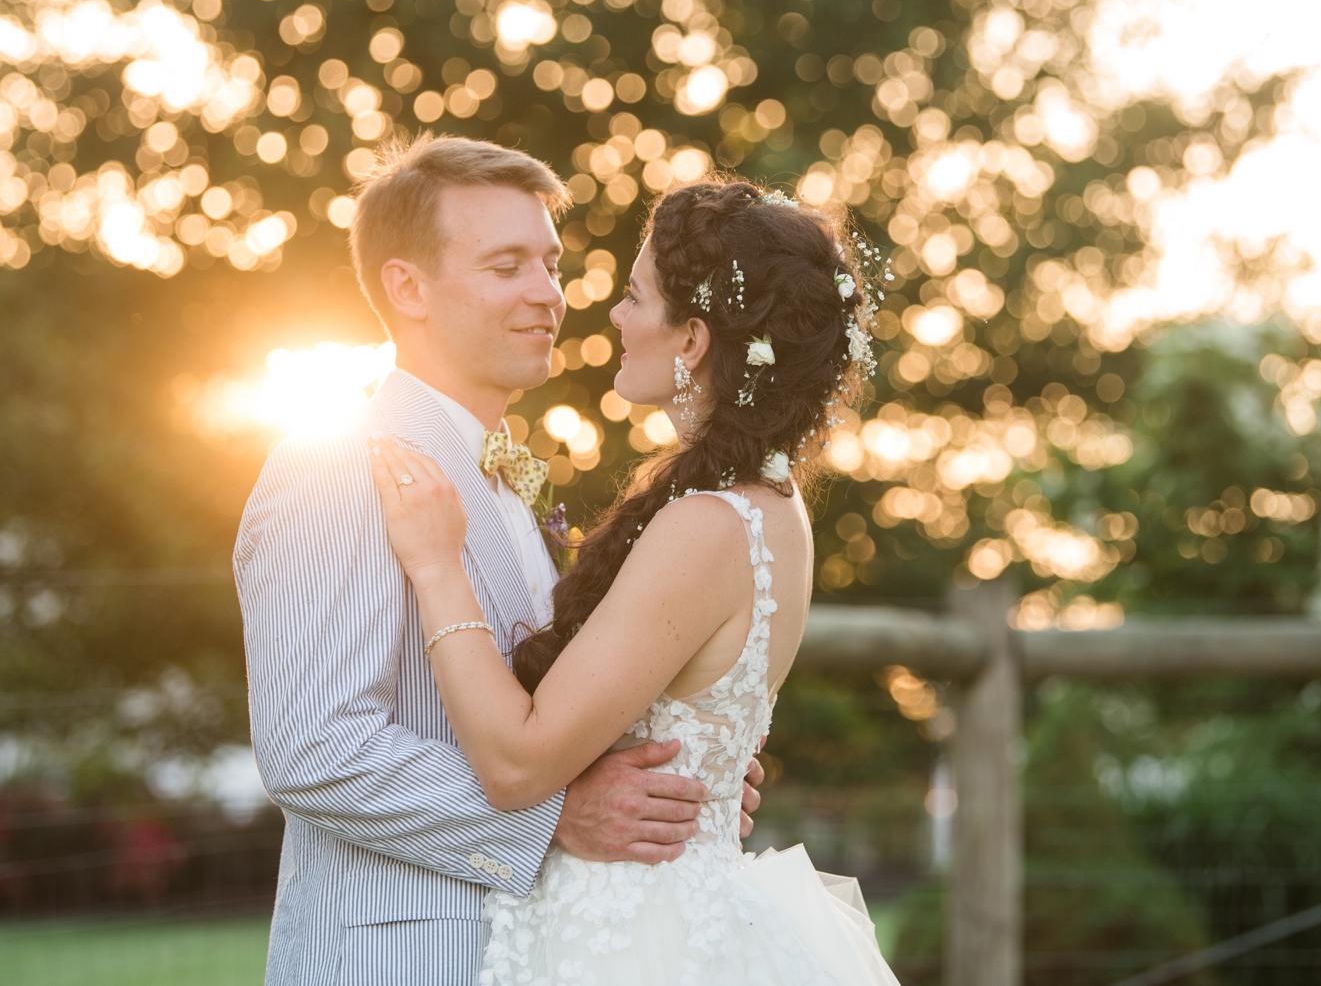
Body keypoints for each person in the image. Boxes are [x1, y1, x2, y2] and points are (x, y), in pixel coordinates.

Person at [234, 135, 764, 986]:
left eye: (550, 265)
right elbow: (314, 744)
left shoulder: (510, 483)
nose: (549, 295)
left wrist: (676, 775)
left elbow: (531, 708)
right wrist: (558, 815)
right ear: (407, 286)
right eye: (506, 266)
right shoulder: (336, 465)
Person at [368, 178, 900, 985]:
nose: (611, 315)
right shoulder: (773, 505)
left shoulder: (709, 525)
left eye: (633, 296)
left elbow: (516, 762)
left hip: (633, 940)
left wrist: (439, 565)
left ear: (690, 339)